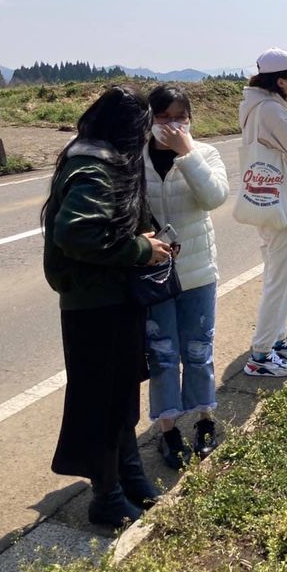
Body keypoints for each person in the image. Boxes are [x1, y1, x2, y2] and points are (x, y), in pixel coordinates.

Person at [42, 85, 173, 527]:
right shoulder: (94, 164)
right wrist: (140, 250)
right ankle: (106, 497)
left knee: (118, 397)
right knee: (101, 401)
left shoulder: (98, 153)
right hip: (94, 303)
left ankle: (129, 477)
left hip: (111, 298)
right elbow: (77, 234)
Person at [143, 85, 229, 469]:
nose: (172, 125)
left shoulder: (205, 153)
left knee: (198, 350)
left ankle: (206, 420)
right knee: (162, 355)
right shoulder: (135, 160)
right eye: (163, 118)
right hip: (152, 277)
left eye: (180, 117)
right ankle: (167, 429)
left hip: (196, 272)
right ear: (148, 120)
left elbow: (214, 198)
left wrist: (187, 154)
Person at [239, 48, 287, 369]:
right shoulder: (272, 109)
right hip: (283, 201)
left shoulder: (253, 105)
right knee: (281, 278)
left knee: (277, 273)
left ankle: (276, 338)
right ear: (281, 80)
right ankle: (260, 354)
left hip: (265, 199)